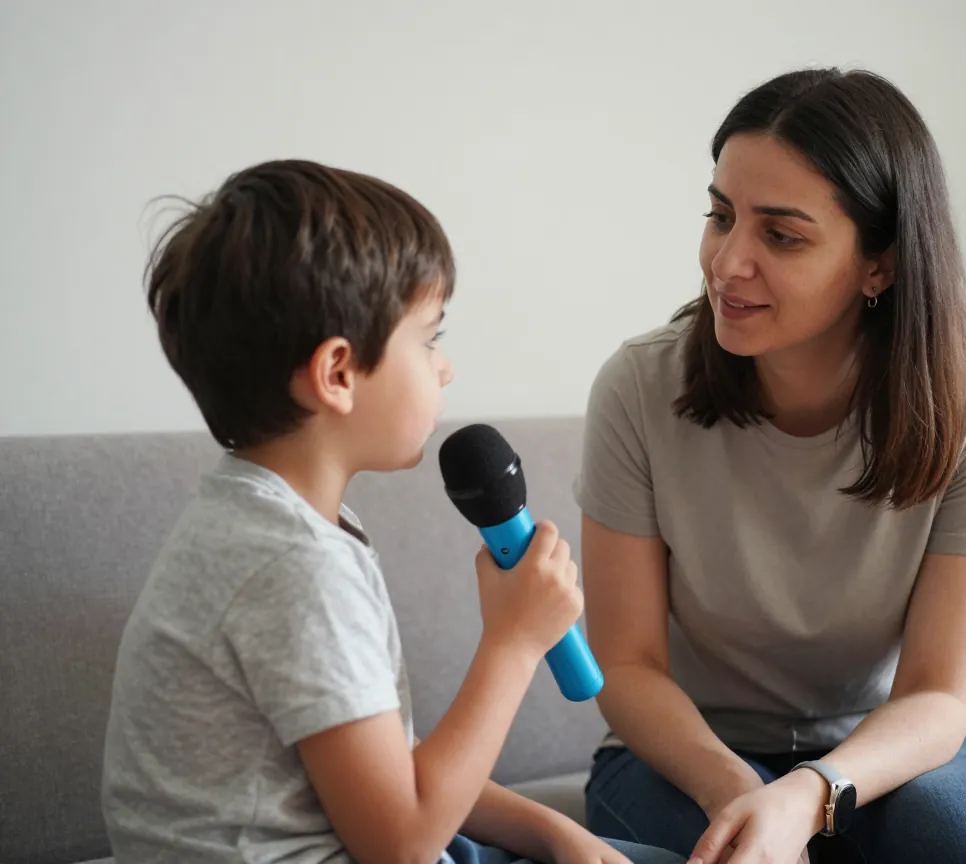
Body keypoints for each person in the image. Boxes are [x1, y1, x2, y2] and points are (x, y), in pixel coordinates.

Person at [101, 159, 684, 864]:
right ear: (338, 373)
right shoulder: (294, 568)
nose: (445, 368)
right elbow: (401, 841)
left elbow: (391, 768)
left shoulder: (265, 522)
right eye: (430, 338)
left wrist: (560, 835)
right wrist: (513, 642)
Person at [574, 68, 966, 864]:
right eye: (720, 217)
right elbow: (626, 663)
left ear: (880, 265)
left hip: (878, 752)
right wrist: (738, 791)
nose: (727, 263)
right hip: (688, 753)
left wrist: (812, 792)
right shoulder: (638, 388)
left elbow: (940, 693)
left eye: (780, 235)